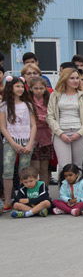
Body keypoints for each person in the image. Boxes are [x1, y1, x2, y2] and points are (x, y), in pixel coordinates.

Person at [47, 68, 83, 178]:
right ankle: (64, 193)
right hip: (61, 133)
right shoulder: (55, 95)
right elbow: (50, 116)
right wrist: (60, 133)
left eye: (77, 78)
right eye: (72, 78)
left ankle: (78, 192)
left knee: (78, 165)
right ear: (65, 79)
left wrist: (80, 133)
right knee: (64, 166)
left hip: (80, 134)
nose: (76, 80)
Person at [1, 76, 37, 211]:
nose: (20, 89)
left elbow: (33, 125)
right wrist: (13, 143)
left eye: (22, 86)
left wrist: (30, 143)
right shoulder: (3, 106)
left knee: (24, 171)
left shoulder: (28, 105)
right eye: (17, 86)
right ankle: (8, 200)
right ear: (10, 88)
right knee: (8, 170)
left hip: (27, 142)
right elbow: (3, 127)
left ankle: (23, 199)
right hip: (11, 142)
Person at [27, 77, 54, 187]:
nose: (39, 91)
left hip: (46, 137)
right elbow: (30, 120)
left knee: (44, 168)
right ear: (31, 89)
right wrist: (43, 118)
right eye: (36, 88)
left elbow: (51, 118)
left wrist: (39, 118)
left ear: (45, 88)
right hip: (33, 137)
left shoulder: (49, 100)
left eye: (41, 88)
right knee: (35, 167)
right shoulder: (28, 101)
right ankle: (33, 190)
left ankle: (44, 190)